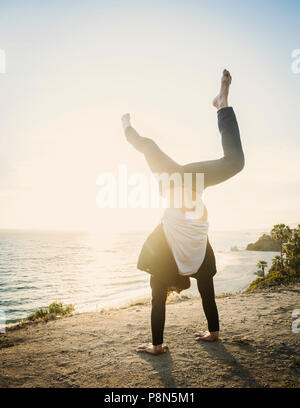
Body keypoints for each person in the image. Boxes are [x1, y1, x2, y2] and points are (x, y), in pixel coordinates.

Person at [121, 69, 245, 355]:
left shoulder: (166, 251)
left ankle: (126, 128)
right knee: (235, 162)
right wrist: (212, 333)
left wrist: (156, 345)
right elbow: (204, 293)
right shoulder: (197, 256)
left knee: (147, 146)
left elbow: (158, 298)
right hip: (189, 180)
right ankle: (222, 105)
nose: (169, 289)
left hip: (173, 178)